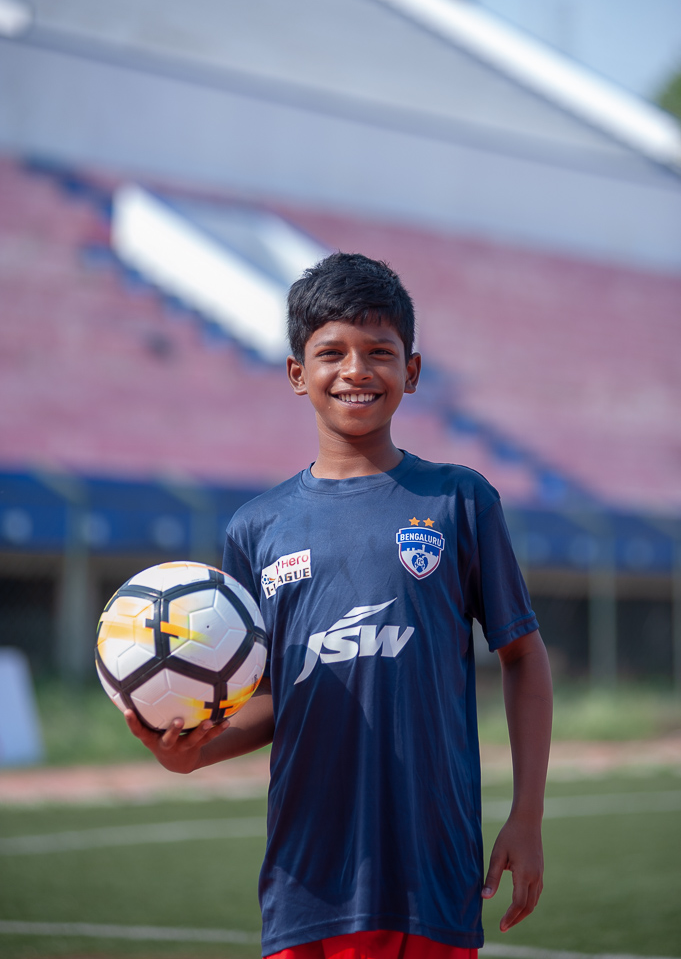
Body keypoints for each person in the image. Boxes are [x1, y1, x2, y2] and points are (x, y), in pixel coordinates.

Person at [126, 252, 553, 959]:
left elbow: (521, 657)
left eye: (379, 352)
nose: (356, 371)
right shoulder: (255, 530)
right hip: (308, 875)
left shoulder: (458, 500)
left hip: (432, 864)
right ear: (297, 374)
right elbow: (266, 700)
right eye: (331, 353)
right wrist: (192, 757)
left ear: (410, 372)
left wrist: (527, 817)